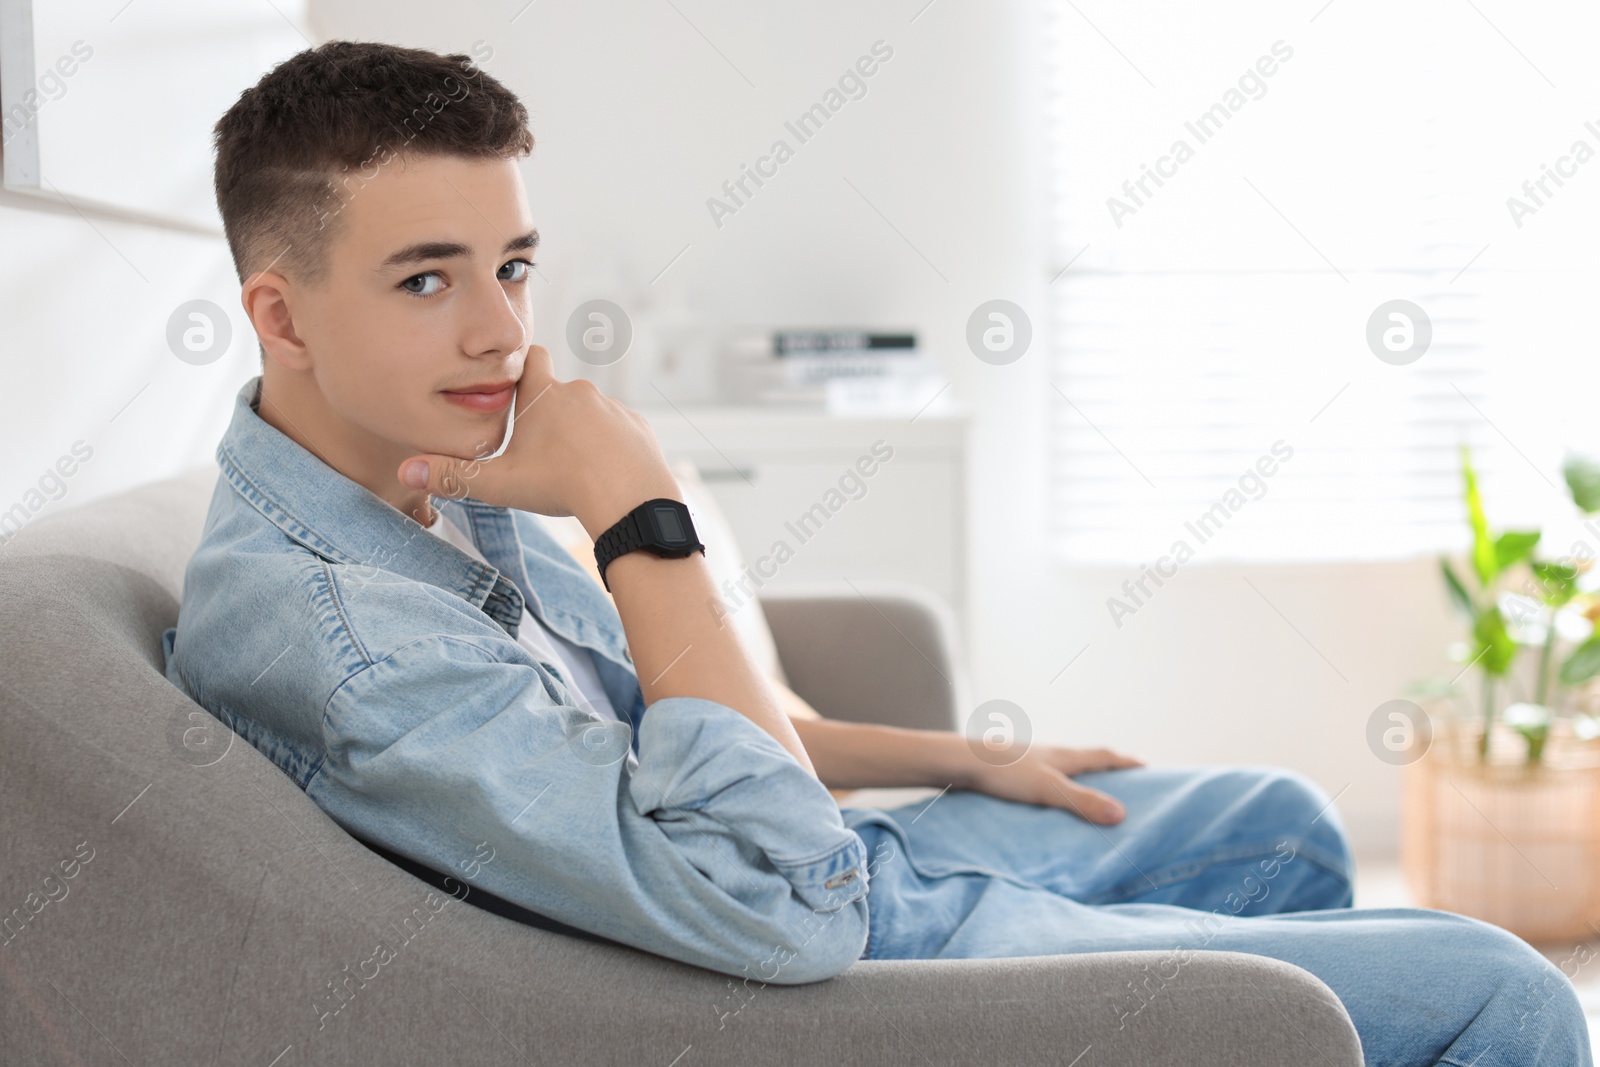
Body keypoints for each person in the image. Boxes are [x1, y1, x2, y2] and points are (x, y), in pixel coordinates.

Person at [163, 40, 1591, 1064]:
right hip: (822, 947)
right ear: (280, 316)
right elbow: (763, 898)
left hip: (832, 855)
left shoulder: (424, 472)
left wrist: (963, 757)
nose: (502, 331)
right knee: (1499, 991)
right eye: (429, 279)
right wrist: (637, 511)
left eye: (513, 264)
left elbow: (683, 726)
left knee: (1275, 819)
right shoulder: (342, 640)